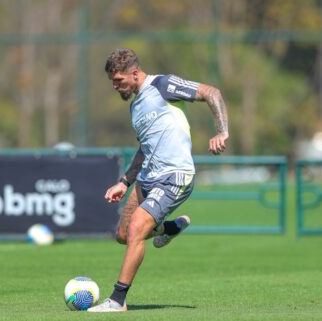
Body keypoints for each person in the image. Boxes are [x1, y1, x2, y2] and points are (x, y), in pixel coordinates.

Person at [88, 48, 229, 312]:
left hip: (175, 175)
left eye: (118, 80)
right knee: (123, 234)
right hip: (147, 178)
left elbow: (212, 92)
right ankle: (169, 229)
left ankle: (118, 300)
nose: (114, 85)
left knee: (137, 229)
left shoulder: (163, 85)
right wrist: (124, 181)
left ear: (134, 73)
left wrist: (222, 131)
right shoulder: (135, 107)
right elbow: (145, 149)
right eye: (111, 81)